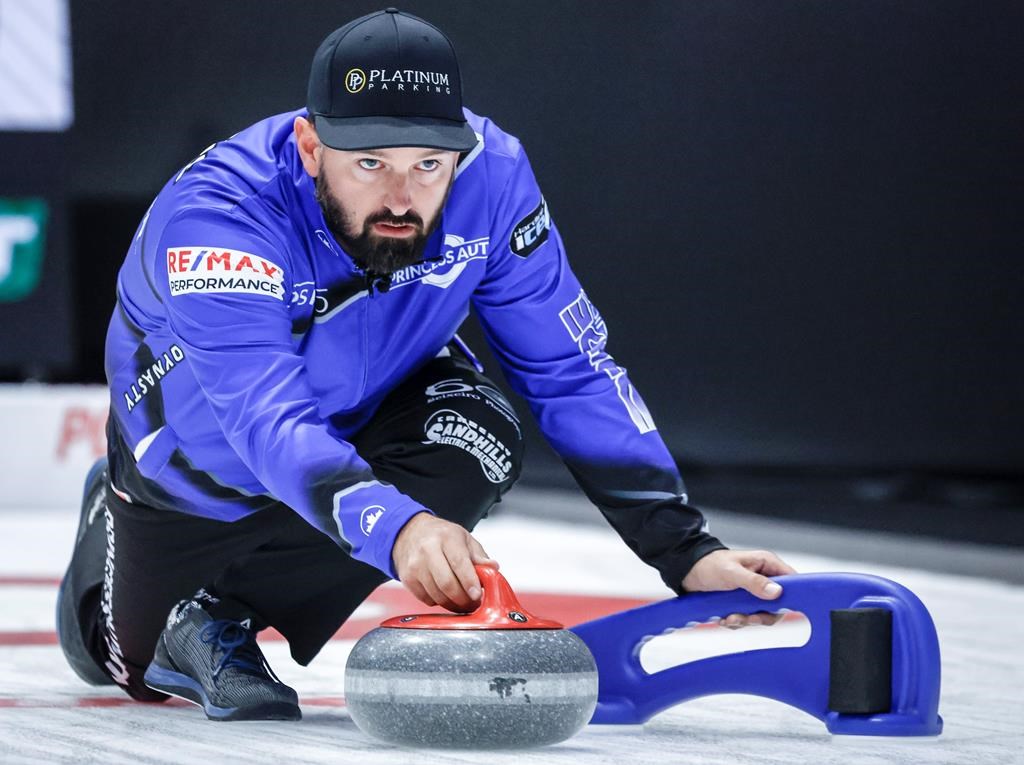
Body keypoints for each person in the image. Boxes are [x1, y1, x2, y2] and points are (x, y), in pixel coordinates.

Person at [57, 8, 795, 721]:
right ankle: (113, 523)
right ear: (310, 146)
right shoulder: (221, 215)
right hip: (200, 472)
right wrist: (401, 527)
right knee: (125, 666)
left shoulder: (493, 177)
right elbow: (264, 418)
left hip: (371, 408)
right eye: (370, 162)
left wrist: (686, 548)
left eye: (428, 164)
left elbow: (569, 367)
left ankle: (218, 614)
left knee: (480, 432)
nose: (401, 199)